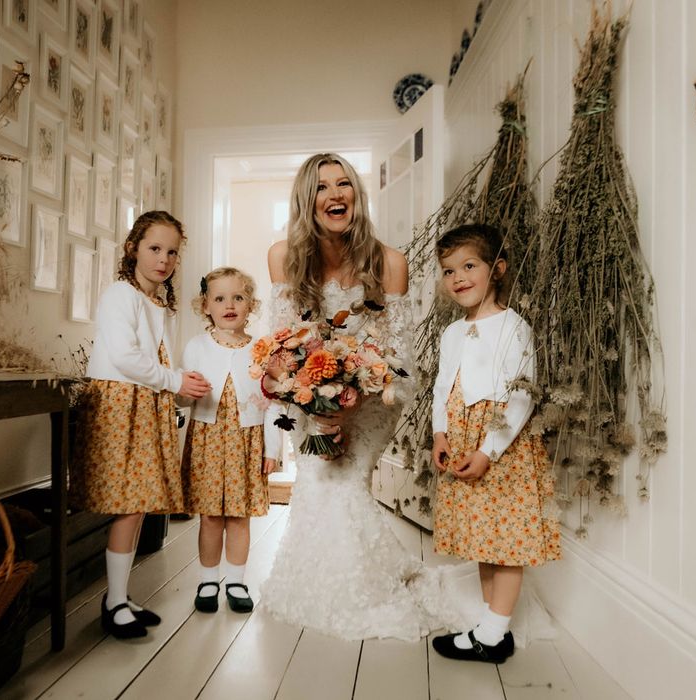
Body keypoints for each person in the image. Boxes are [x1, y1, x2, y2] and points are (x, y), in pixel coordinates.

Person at [260, 153, 463, 640]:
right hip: (308, 402)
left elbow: (399, 360)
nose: (336, 194)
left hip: (371, 404)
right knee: (317, 480)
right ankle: (329, 583)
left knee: (345, 483)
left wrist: (353, 393)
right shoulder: (282, 257)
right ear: (307, 200)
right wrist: (311, 400)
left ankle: (357, 591)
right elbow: (282, 349)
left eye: (344, 183)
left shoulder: (389, 261)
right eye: (323, 186)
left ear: (356, 193)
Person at [70, 210, 211, 639]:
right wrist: (174, 381)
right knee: (130, 505)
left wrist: (180, 384)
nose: (164, 259)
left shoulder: (154, 302)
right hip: (119, 404)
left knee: (140, 503)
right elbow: (125, 357)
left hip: (143, 402)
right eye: (154, 249)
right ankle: (114, 601)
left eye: (172, 252)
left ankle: (119, 595)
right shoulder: (120, 294)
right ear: (133, 248)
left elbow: (154, 358)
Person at [429, 223, 561, 663]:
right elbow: (442, 385)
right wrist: (440, 433)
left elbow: (521, 395)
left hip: (498, 446)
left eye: (469, 266)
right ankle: (491, 628)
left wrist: (488, 451)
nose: (458, 278)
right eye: (449, 271)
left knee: (505, 545)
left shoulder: (513, 327)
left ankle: (491, 634)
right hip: (461, 439)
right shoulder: (451, 332)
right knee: (485, 539)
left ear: (497, 269)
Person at [181, 267, 281, 614]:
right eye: (219, 298)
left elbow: (272, 402)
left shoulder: (261, 350)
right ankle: (208, 580)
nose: (229, 305)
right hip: (208, 439)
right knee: (211, 516)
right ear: (205, 305)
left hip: (246, 440)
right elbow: (182, 395)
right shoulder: (196, 347)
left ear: (250, 305)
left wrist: (273, 448)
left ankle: (236, 580)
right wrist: (183, 390)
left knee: (239, 517)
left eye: (238, 297)